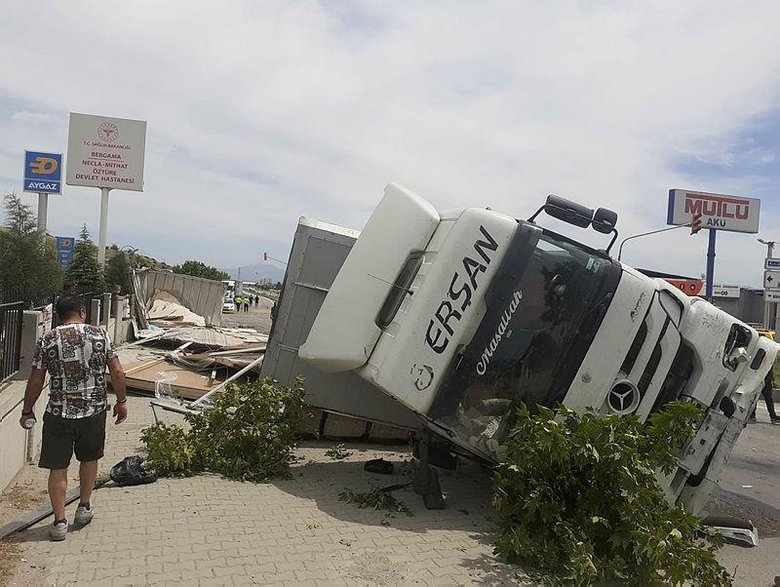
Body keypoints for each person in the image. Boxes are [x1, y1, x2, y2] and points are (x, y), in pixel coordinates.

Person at [20, 296, 128, 541]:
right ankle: (84, 507)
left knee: (58, 467)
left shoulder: (47, 339)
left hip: (58, 413)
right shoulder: (100, 335)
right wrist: (122, 401)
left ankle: (59, 522)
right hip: (94, 411)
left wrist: (27, 410)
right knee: (89, 459)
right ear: (82, 311)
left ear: (59, 316)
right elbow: (118, 371)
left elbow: (36, 380)